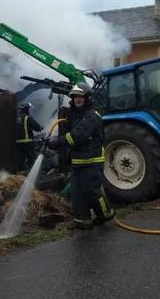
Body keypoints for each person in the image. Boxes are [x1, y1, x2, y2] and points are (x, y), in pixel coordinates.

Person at [47, 82, 114, 229]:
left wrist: (56, 142)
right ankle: (82, 220)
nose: (77, 99)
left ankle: (105, 214)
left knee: (92, 191)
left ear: (88, 98)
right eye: (75, 97)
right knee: (77, 194)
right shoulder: (76, 115)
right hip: (78, 162)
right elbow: (69, 131)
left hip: (91, 161)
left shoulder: (91, 116)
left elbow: (77, 136)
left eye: (80, 97)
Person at [15, 102, 43, 174]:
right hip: (28, 142)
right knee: (31, 158)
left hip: (18, 143)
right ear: (26, 109)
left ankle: (20, 175)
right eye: (29, 109)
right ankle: (30, 173)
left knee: (20, 159)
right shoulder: (27, 118)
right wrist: (40, 127)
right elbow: (36, 127)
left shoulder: (16, 118)